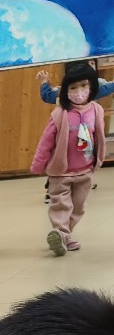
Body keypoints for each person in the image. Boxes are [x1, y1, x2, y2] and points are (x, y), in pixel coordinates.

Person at [30, 66, 106, 256]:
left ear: (92, 86)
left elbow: (99, 137)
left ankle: (64, 235)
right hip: (61, 172)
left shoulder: (96, 110)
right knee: (61, 205)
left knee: (78, 207)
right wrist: (38, 164)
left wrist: (98, 160)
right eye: (73, 87)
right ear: (65, 90)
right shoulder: (60, 114)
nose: (79, 91)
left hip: (85, 170)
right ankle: (61, 233)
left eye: (84, 85)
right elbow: (46, 141)